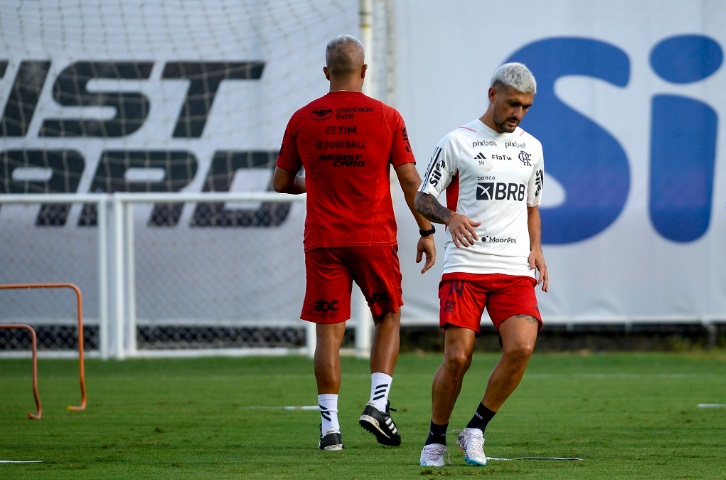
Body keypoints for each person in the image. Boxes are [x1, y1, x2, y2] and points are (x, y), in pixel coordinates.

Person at [273, 34, 436, 451]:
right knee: (388, 317)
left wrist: (320, 181)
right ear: (363, 72)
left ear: (326, 72)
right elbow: (410, 181)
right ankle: (377, 406)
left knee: (328, 334)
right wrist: (426, 230)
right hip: (374, 238)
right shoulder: (387, 117)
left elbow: (281, 183)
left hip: (324, 239)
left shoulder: (302, 118)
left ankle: (330, 430)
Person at [415, 62, 548, 467]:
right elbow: (423, 197)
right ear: (492, 95)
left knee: (522, 347)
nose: (518, 114)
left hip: (513, 268)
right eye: (512, 104)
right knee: (457, 359)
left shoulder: (532, 147)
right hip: (466, 268)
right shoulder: (457, 141)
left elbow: (532, 207)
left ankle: (474, 429)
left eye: (525, 107)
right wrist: (449, 217)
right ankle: (435, 440)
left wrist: (538, 249)